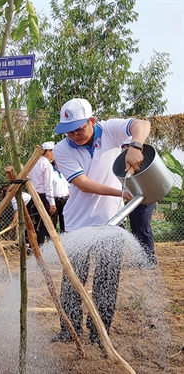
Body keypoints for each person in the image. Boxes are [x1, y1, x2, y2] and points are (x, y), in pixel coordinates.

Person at [51, 98, 150, 346]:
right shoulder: (62, 149)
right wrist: (120, 193)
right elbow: (83, 185)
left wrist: (135, 146)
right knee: (73, 279)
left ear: (92, 121)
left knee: (107, 280)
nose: (74, 135)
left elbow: (142, 124)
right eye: (68, 130)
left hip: (112, 221)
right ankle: (69, 331)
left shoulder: (109, 130)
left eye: (79, 129)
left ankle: (99, 333)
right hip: (78, 224)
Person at [121, 139, 157, 266]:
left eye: (125, 147)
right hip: (134, 200)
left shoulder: (141, 163)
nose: (124, 150)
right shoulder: (127, 165)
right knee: (136, 228)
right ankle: (141, 258)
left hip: (144, 199)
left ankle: (149, 259)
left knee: (143, 228)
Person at [27, 141, 57, 244]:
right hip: (43, 197)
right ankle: (41, 247)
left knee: (37, 223)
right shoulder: (46, 165)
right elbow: (48, 186)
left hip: (33, 195)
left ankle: (35, 246)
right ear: (48, 152)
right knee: (45, 224)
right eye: (53, 151)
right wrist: (52, 203)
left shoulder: (33, 163)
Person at [51, 159, 70, 233]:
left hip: (65, 199)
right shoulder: (51, 172)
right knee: (53, 221)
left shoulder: (64, 172)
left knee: (64, 221)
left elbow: (69, 186)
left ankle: (64, 238)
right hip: (55, 199)